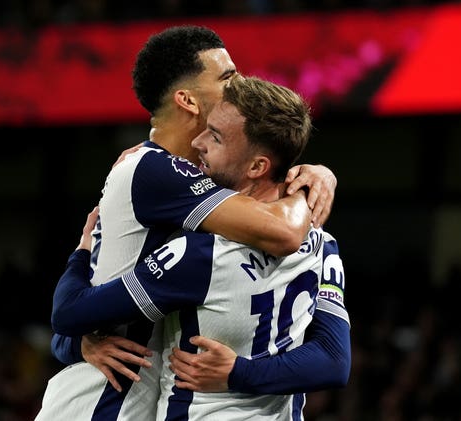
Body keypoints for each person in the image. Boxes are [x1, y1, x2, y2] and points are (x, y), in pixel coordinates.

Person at [35, 26, 337, 420]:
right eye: (227, 77)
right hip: (100, 403)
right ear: (188, 100)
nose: (240, 83)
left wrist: (307, 168)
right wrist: (309, 185)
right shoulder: (155, 171)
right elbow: (284, 231)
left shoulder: (181, 173)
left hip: (131, 395)